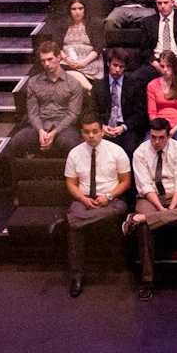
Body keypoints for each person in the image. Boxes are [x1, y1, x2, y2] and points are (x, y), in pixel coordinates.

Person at [126, 117, 177, 300]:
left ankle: (139, 219)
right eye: (153, 137)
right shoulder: (140, 152)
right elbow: (145, 186)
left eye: (161, 138)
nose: (157, 142)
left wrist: (171, 208)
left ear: (169, 136)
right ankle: (147, 281)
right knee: (145, 228)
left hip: (176, 196)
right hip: (150, 198)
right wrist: (160, 209)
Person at [62, 116, 132, 297]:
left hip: (111, 201)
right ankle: (77, 276)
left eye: (95, 131)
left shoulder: (116, 151)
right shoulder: (75, 153)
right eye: (87, 132)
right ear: (81, 133)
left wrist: (108, 196)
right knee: (76, 223)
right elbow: (70, 183)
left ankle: (72, 220)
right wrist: (84, 199)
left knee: (74, 222)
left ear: (102, 131)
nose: (91, 136)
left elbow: (126, 182)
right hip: (83, 200)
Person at [93, 49, 145, 152]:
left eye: (121, 67)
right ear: (108, 64)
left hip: (125, 128)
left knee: (131, 148)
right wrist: (101, 126)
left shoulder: (134, 85)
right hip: (104, 128)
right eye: (115, 65)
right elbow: (92, 110)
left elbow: (140, 113)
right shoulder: (98, 85)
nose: (117, 69)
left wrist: (124, 127)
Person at [144, 51, 177, 148]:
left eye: (168, 66)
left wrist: (172, 131)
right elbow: (152, 113)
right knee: (147, 147)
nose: (165, 70)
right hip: (159, 125)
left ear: (174, 67)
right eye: (162, 66)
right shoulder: (152, 85)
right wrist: (161, 130)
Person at [48, 0, 106, 81]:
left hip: (89, 62)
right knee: (61, 70)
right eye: (73, 9)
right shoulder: (62, 24)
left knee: (69, 76)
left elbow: (98, 48)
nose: (77, 12)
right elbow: (57, 46)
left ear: (85, 9)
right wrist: (68, 60)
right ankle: (89, 88)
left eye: (80, 8)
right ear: (69, 10)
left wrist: (83, 63)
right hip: (66, 63)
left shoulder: (94, 24)